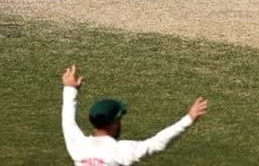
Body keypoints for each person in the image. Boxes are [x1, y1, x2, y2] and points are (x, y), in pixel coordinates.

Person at [61, 64, 209, 166]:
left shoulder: (78, 146)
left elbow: (68, 122)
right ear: (114, 123)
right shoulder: (119, 152)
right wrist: (188, 119)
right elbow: (156, 144)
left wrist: (69, 88)